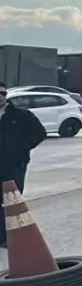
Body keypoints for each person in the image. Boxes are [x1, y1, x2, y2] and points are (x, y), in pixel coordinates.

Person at [0, 81, 48, 248]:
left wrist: (22, 147)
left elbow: (40, 133)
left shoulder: (21, 115)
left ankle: (9, 237)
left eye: (3, 93)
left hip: (15, 164)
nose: (0, 96)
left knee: (11, 200)